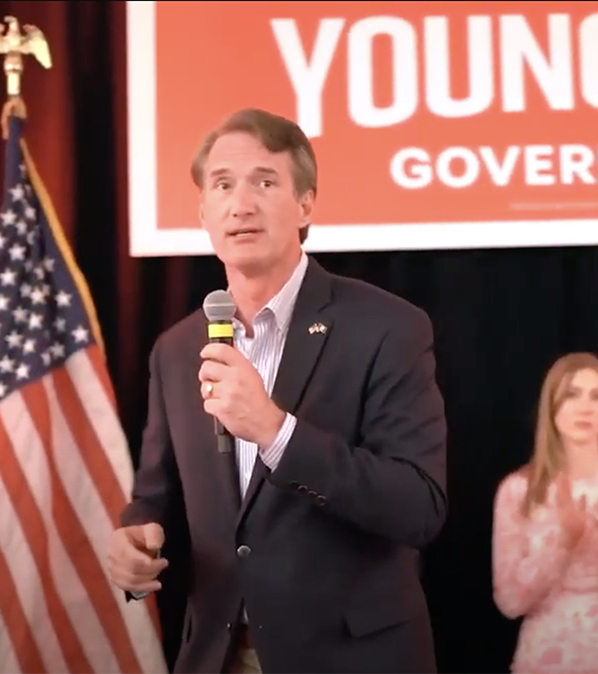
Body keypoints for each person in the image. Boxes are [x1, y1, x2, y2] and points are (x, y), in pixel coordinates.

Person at [105, 108, 448, 674]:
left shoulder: (387, 327)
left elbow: (418, 507)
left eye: (264, 182)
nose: (241, 204)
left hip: (351, 657)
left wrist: (274, 430)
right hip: (218, 654)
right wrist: (137, 541)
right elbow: (156, 496)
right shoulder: (175, 349)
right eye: (222, 185)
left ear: (306, 204)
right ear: (203, 211)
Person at [492, 352, 598, 673]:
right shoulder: (517, 490)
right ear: (553, 405)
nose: (585, 406)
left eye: (596, 396)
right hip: (546, 657)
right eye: (572, 394)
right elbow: (510, 601)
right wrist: (563, 541)